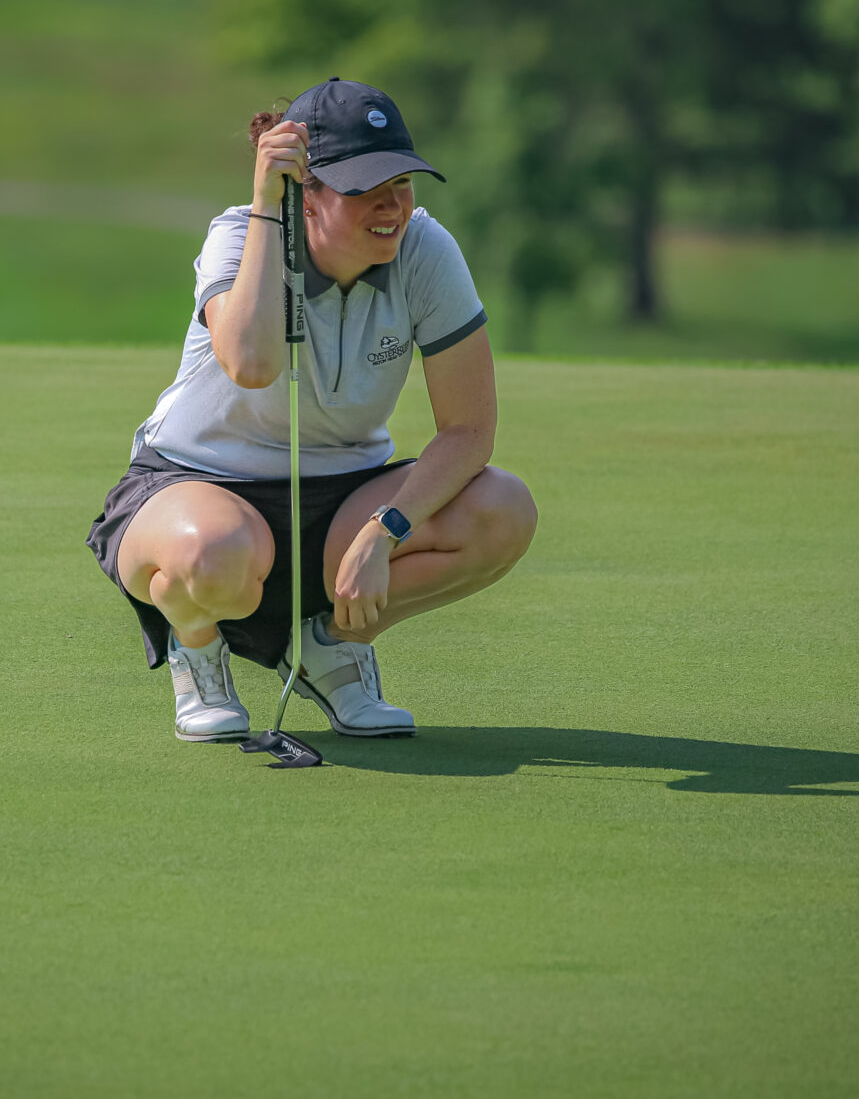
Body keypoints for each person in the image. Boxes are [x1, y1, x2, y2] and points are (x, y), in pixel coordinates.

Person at [86, 77, 538, 741]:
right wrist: (270, 208)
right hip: (196, 483)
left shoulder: (425, 249)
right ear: (308, 190)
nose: (392, 205)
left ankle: (329, 647)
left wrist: (385, 530)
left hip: (344, 494)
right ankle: (197, 644)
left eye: (402, 182)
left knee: (503, 509)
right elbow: (253, 364)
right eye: (364, 188)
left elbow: (469, 430)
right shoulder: (239, 238)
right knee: (217, 556)